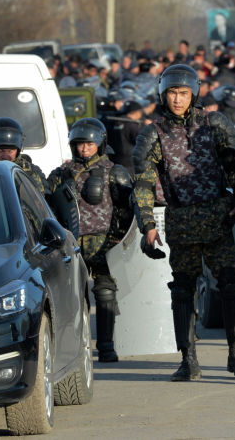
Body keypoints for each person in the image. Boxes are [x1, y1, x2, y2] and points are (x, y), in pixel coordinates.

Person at [134, 63, 235, 381]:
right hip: (182, 223)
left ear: (193, 94)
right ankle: (188, 359)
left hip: (218, 222)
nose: (177, 99)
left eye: (183, 93)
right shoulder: (153, 134)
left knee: (231, 286)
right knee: (183, 291)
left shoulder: (213, 124)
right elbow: (144, 184)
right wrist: (147, 224)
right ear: (163, 94)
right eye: (172, 93)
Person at [47, 118, 135, 363]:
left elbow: (128, 208)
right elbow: (47, 203)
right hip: (71, 244)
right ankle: (75, 349)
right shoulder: (61, 174)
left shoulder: (114, 172)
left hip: (106, 243)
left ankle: (106, 346)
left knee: (106, 292)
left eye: (89, 144)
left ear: (100, 144)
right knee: (73, 296)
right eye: (79, 144)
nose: (84, 149)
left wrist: (122, 240)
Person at [0, 117, 48, 193]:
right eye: (0, 150)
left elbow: (40, 198)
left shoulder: (29, 172)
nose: (5, 156)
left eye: (10, 151)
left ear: (18, 150)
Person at [105, 99, 145, 173]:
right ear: (136, 112)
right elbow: (143, 142)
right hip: (130, 164)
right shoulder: (132, 125)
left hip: (115, 161)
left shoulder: (114, 123)